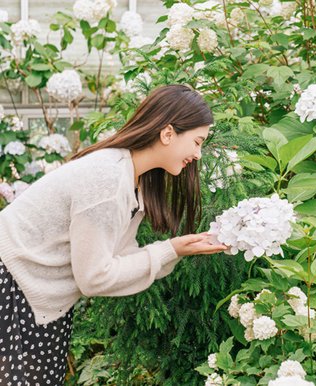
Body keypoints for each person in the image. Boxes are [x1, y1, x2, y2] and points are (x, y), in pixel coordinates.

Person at [0, 84, 228, 385]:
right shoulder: (107, 179)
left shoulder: (133, 180)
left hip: (31, 292)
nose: (198, 154)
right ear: (168, 133)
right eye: (197, 142)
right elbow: (94, 277)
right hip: (11, 285)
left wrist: (176, 250)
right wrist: (168, 250)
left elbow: (116, 257)